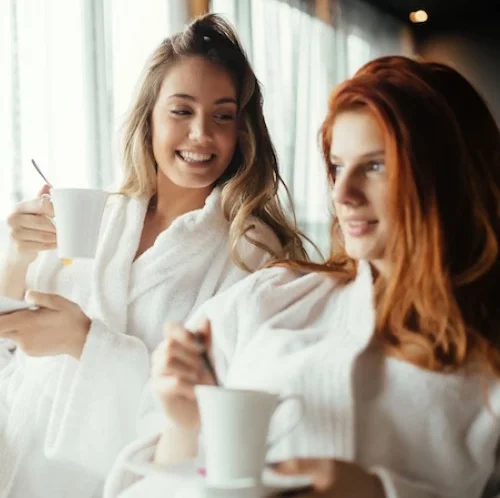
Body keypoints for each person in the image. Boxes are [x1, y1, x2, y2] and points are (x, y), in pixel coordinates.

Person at [106, 56, 500, 498]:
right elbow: (149, 481)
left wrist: (376, 492)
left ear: (448, 176)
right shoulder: (270, 296)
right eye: (337, 166)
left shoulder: (487, 361)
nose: (342, 194)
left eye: (375, 166)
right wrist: (183, 423)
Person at [0, 13, 308, 498]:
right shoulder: (98, 218)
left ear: (242, 130)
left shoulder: (252, 257)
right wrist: (17, 258)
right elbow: (12, 348)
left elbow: (217, 409)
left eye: (222, 115)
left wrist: (86, 341)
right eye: (181, 111)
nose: (201, 134)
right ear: (149, 118)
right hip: (16, 461)